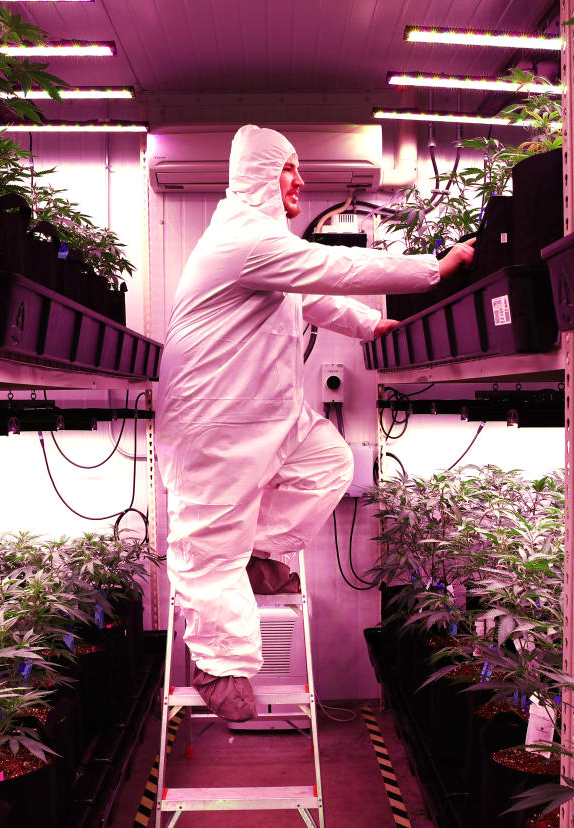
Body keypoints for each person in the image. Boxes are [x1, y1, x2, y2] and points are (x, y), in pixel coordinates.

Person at [155, 124, 474, 722]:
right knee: (208, 547)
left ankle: (263, 551)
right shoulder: (244, 238)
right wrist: (430, 269)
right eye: (289, 169)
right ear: (259, 176)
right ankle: (218, 665)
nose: (300, 180)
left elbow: (316, 298)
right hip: (214, 422)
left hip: (268, 415)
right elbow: (335, 267)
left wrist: (369, 326)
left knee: (329, 463)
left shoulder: (266, 247)